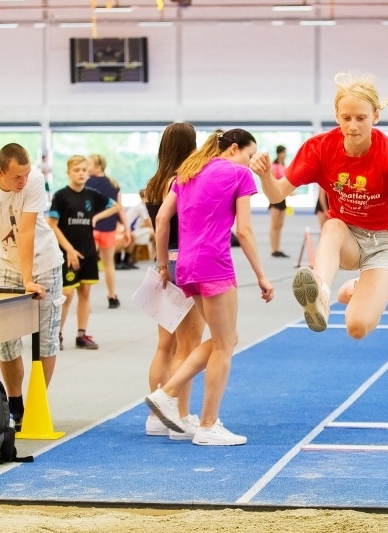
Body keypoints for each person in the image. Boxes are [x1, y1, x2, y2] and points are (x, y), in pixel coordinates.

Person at [250, 71, 388, 339]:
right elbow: (277, 194)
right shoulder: (320, 148)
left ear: (375, 116)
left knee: (357, 328)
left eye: (361, 118)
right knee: (332, 225)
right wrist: (265, 176)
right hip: (348, 237)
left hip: (385, 243)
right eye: (346, 118)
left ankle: (355, 288)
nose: (353, 125)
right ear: (337, 115)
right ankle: (321, 295)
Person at [146, 128, 274, 446]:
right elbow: (243, 230)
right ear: (234, 149)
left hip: (185, 267)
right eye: (248, 154)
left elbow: (162, 219)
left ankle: (168, 395)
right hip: (214, 265)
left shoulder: (186, 174)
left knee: (224, 339)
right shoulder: (239, 176)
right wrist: (261, 274)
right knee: (223, 346)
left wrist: (163, 265)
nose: (249, 162)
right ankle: (206, 424)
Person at [0, 142, 64, 429]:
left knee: (46, 339)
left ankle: (37, 403)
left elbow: (27, 229)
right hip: (6, 265)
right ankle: (16, 404)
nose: (23, 181)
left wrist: (28, 279)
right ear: (0, 171)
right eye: (16, 177)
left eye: (26, 174)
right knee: (5, 342)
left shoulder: (34, 180)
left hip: (43, 263)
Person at [143, 122, 205, 439]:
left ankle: (156, 417)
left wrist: (160, 261)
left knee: (165, 345)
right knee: (188, 345)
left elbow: (156, 225)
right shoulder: (183, 181)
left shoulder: (154, 183)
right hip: (182, 263)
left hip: (162, 266)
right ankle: (180, 416)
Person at [49, 155, 120, 350]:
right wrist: (69, 250)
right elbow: (53, 225)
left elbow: (115, 206)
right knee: (67, 293)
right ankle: (57, 334)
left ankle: (81, 334)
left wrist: (96, 218)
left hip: (88, 251)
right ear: (68, 173)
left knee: (85, 292)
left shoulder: (92, 195)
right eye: (76, 170)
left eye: (83, 170)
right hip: (67, 253)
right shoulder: (61, 196)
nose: (80, 173)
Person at [85, 154, 130, 309]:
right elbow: (120, 208)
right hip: (109, 228)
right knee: (108, 264)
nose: (86, 168)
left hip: (91, 228)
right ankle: (112, 296)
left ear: (98, 166)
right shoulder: (113, 183)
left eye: (88, 164)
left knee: (89, 264)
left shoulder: (86, 183)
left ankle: (86, 301)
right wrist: (127, 229)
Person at [268, 145, 289, 258]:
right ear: (279, 153)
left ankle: (278, 248)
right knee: (274, 225)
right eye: (284, 152)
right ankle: (274, 249)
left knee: (280, 225)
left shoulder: (284, 166)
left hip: (283, 198)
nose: (285, 155)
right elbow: (273, 182)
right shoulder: (274, 167)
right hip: (275, 198)